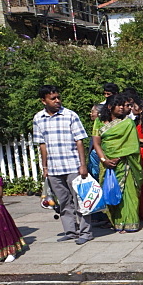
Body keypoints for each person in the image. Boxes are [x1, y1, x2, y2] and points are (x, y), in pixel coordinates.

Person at [32, 85, 91, 245]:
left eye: (58, 97)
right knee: (64, 201)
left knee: (80, 199)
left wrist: (83, 164)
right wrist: (45, 167)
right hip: (54, 168)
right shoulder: (38, 118)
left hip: (73, 165)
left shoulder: (70, 115)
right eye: (53, 98)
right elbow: (42, 144)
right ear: (43, 101)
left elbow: (79, 141)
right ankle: (70, 231)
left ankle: (85, 232)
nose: (57, 101)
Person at [93, 94, 143, 233]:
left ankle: (130, 223)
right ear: (110, 107)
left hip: (125, 163)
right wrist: (104, 160)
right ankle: (116, 221)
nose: (122, 107)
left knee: (128, 192)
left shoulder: (128, 123)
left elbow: (133, 146)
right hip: (106, 163)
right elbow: (97, 143)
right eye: (119, 105)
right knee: (109, 191)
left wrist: (120, 157)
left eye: (123, 105)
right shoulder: (99, 122)